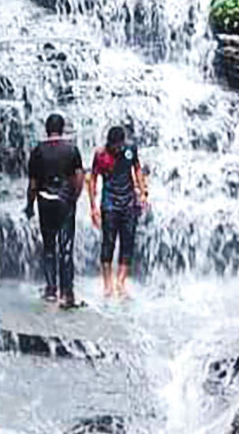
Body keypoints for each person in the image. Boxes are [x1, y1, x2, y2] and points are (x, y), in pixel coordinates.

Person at [24, 113, 85, 309]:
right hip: (65, 201)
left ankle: (51, 290)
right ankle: (67, 293)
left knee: (49, 247)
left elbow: (33, 184)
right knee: (66, 247)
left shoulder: (38, 151)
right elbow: (79, 176)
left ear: (47, 129)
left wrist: (29, 205)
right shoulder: (72, 149)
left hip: (45, 201)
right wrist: (74, 197)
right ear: (63, 128)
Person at [87, 125, 149, 300]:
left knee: (127, 242)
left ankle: (121, 282)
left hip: (129, 202)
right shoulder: (100, 155)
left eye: (119, 145)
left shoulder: (130, 150)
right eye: (114, 145)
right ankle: (107, 284)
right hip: (110, 203)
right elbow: (92, 179)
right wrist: (93, 207)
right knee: (108, 242)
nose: (117, 149)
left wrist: (142, 192)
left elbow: (137, 168)